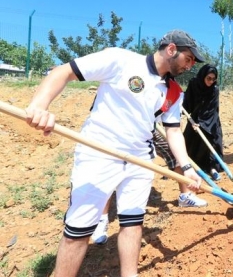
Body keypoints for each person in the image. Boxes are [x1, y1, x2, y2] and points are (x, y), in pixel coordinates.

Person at [24, 29, 205, 277]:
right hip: (98, 153)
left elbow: (173, 131)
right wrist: (38, 106)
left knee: (133, 222)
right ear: (171, 49)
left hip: (141, 160)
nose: (190, 65)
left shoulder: (174, 92)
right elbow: (63, 72)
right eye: (189, 58)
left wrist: (187, 167)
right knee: (79, 230)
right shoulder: (120, 60)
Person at [183, 64, 224, 180]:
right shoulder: (194, 84)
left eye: (213, 79)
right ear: (202, 76)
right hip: (194, 119)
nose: (211, 81)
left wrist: (201, 125)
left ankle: (212, 169)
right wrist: (191, 121)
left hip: (210, 121)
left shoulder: (214, 90)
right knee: (188, 143)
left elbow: (212, 110)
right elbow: (187, 103)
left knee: (210, 143)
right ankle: (188, 167)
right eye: (208, 78)